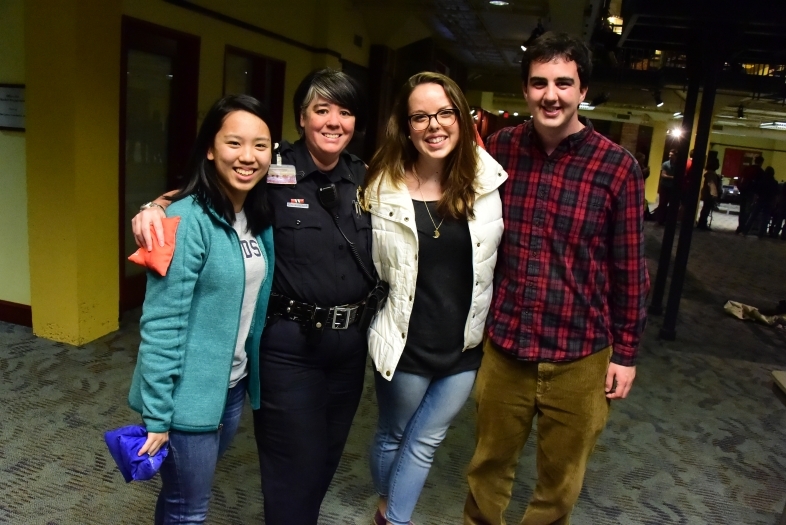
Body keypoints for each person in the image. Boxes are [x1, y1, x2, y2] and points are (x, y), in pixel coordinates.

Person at [132, 69, 372, 525]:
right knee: (221, 492)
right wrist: (153, 209)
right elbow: (198, 193)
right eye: (321, 110)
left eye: (344, 111)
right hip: (281, 351)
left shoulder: (363, 177)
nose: (333, 121)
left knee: (323, 459)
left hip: (320, 356)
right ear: (301, 118)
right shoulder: (268, 168)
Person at [463, 32, 649, 525]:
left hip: (580, 356)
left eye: (564, 83)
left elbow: (630, 269)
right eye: (539, 82)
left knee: (559, 486)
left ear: (582, 90)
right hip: (506, 348)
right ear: (525, 90)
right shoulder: (501, 150)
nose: (552, 94)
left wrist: (626, 353)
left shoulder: (618, 168)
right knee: (486, 470)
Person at [362, 72, 507, 525]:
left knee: (425, 441)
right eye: (420, 116)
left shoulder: (488, 182)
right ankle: (389, 506)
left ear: (463, 120)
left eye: (445, 113)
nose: (434, 125)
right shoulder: (379, 186)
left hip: (464, 344)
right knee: (394, 434)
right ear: (406, 127)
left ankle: (392, 517)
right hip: (405, 342)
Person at [127, 94, 275, 524]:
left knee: (180, 496)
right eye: (234, 143)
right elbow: (160, 323)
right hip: (185, 397)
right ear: (210, 149)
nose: (248, 157)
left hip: (229, 389)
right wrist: (157, 413)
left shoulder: (253, 213)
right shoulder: (186, 221)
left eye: (260, 145)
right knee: (190, 508)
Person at [742, 165, 779, 237]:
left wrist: (754, 200)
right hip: (769, 201)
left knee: (753, 215)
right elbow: (776, 194)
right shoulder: (774, 182)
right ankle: (761, 233)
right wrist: (775, 203)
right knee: (765, 218)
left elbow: (757, 191)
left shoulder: (762, 181)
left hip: (761, 200)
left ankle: (746, 230)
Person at [736, 155, 764, 233]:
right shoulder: (760, 171)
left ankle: (740, 226)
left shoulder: (747, 168)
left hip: (743, 192)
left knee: (742, 210)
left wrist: (740, 188)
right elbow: (760, 185)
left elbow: (740, 178)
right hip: (752, 193)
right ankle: (744, 227)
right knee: (747, 211)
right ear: (761, 162)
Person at [696, 157, 721, 230]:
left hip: (707, 194)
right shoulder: (711, 174)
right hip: (709, 195)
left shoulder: (709, 173)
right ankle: (702, 223)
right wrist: (714, 194)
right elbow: (711, 184)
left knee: (706, 208)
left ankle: (702, 223)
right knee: (706, 209)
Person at [654, 148, 677, 225]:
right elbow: (663, 175)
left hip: (672, 187)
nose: (670, 156)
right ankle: (660, 220)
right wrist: (673, 177)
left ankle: (668, 220)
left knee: (672, 204)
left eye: (672, 155)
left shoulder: (678, 164)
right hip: (664, 186)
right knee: (662, 203)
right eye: (669, 154)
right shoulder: (666, 164)